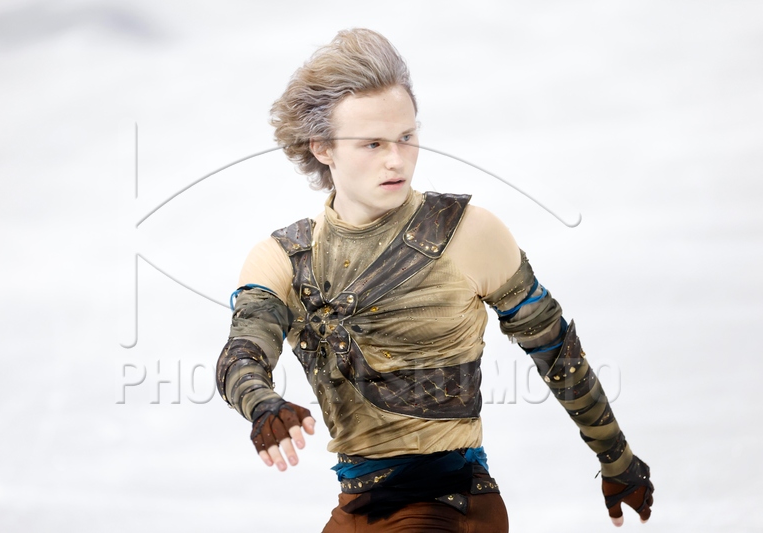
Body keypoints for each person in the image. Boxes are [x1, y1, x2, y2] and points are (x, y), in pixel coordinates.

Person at [216, 28, 654, 532]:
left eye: (406, 137)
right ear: (322, 147)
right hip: (359, 506)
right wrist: (262, 403)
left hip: (454, 503)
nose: (396, 159)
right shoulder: (283, 259)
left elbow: (555, 349)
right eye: (372, 143)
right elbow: (242, 355)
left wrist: (616, 459)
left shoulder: (469, 233)